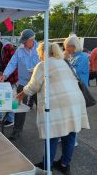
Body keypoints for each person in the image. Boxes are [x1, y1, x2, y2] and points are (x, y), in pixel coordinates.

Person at [16, 42, 90, 174]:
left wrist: (20, 95)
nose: (38, 55)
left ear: (42, 52)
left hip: (58, 103)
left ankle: (47, 166)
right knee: (70, 133)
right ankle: (64, 164)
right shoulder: (64, 62)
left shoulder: (42, 65)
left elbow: (33, 86)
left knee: (53, 134)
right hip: (74, 101)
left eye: (39, 52)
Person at [0, 29, 40, 140]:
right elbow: (12, 63)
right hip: (23, 83)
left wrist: (37, 71)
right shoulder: (20, 50)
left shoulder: (41, 48)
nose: (23, 43)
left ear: (32, 40)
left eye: (25, 41)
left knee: (42, 107)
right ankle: (16, 131)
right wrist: (5, 74)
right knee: (18, 107)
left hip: (39, 83)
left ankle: (47, 130)